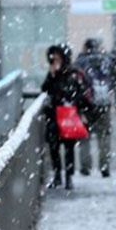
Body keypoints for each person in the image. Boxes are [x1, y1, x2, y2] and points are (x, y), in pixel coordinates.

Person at [41, 43, 94, 190]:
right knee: (54, 147)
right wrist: (52, 75)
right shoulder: (52, 73)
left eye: (58, 56)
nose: (55, 59)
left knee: (69, 148)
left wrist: (80, 111)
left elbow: (76, 92)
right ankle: (58, 175)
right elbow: (44, 88)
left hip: (68, 114)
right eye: (54, 57)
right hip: (54, 114)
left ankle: (68, 177)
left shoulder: (72, 73)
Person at [75, 38, 114, 178]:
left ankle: (85, 166)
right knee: (104, 136)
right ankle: (104, 166)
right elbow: (113, 78)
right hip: (103, 103)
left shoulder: (80, 62)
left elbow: (76, 82)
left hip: (86, 104)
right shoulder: (106, 61)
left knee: (84, 136)